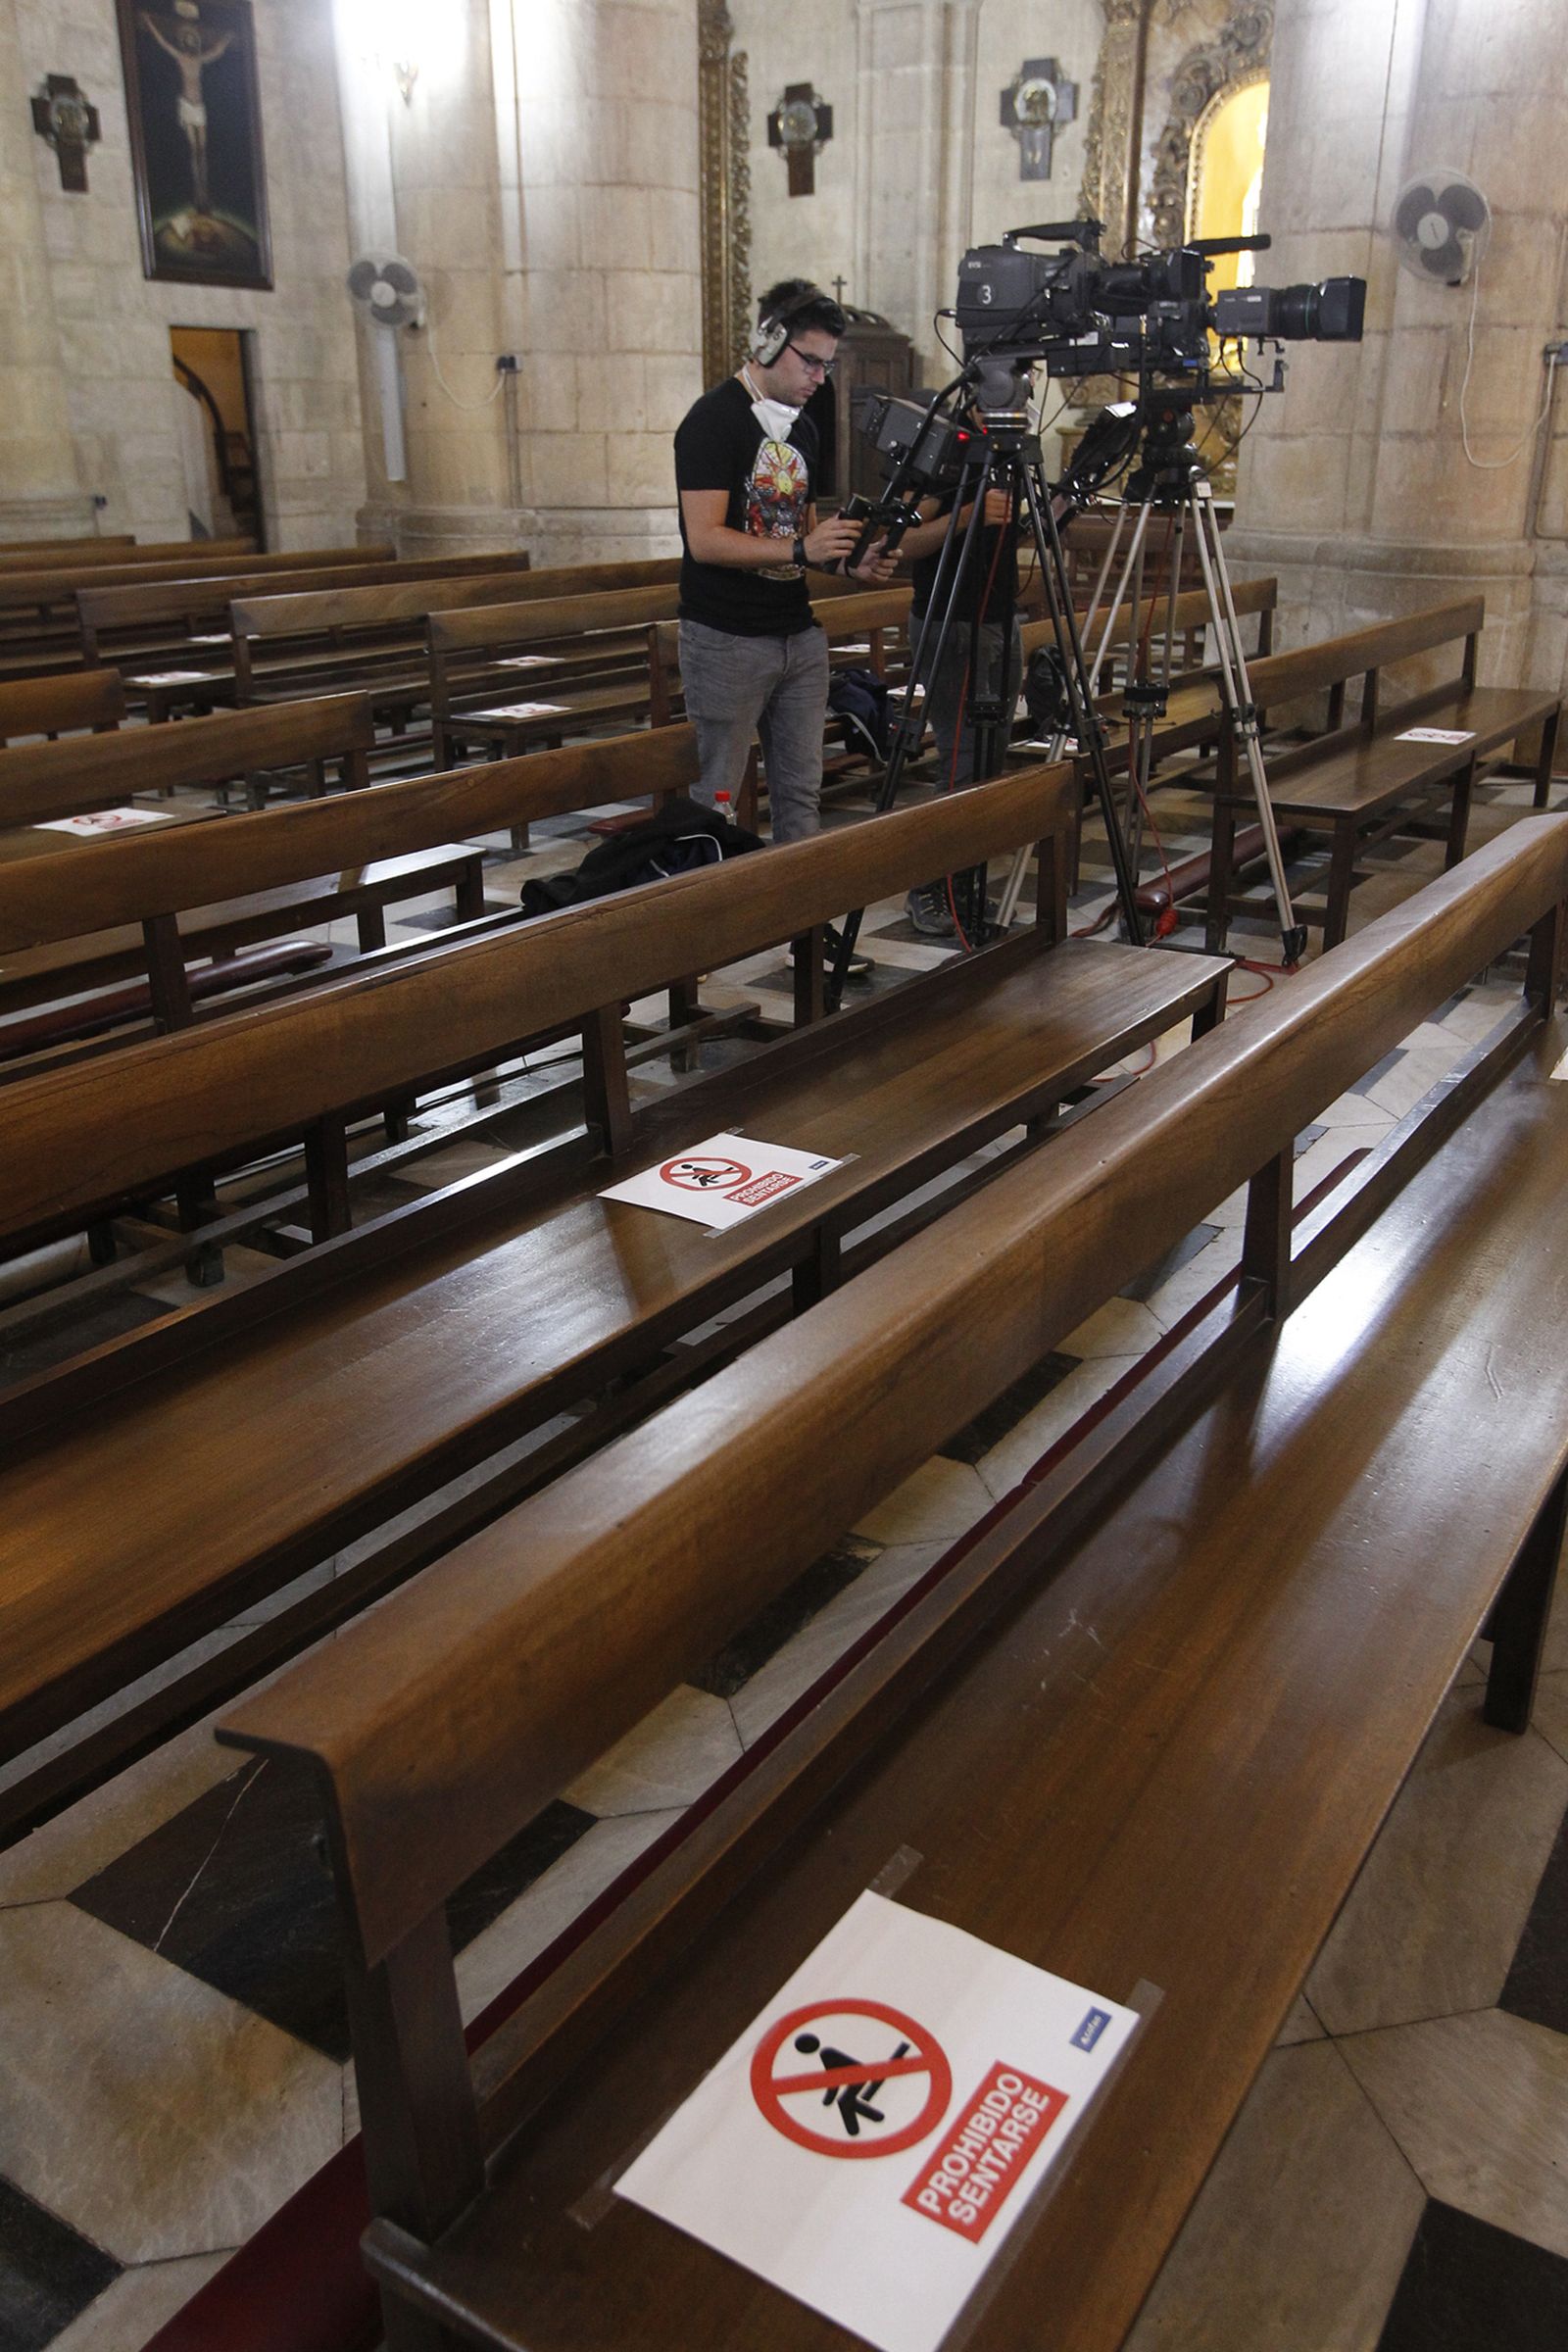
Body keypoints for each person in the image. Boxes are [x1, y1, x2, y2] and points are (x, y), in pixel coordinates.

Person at [673, 280, 897, 863]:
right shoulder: (711, 421)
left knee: (801, 793)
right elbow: (705, 541)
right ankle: (712, 930)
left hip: (797, 635)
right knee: (718, 796)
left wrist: (850, 562)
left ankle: (807, 939)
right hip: (726, 639)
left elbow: (805, 534)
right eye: (811, 362)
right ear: (769, 341)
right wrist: (802, 550)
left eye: (827, 365)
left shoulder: (804, 427)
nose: (819, 378)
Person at [896, 466, 1025, 938]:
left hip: (1001, 618)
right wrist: (968, 514)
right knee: (961, 761)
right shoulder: (943, 456)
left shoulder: (1012, 454)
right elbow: (903, 541)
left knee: (989, 761)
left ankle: (964, 879)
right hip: (948, 624)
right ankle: (929, 886)